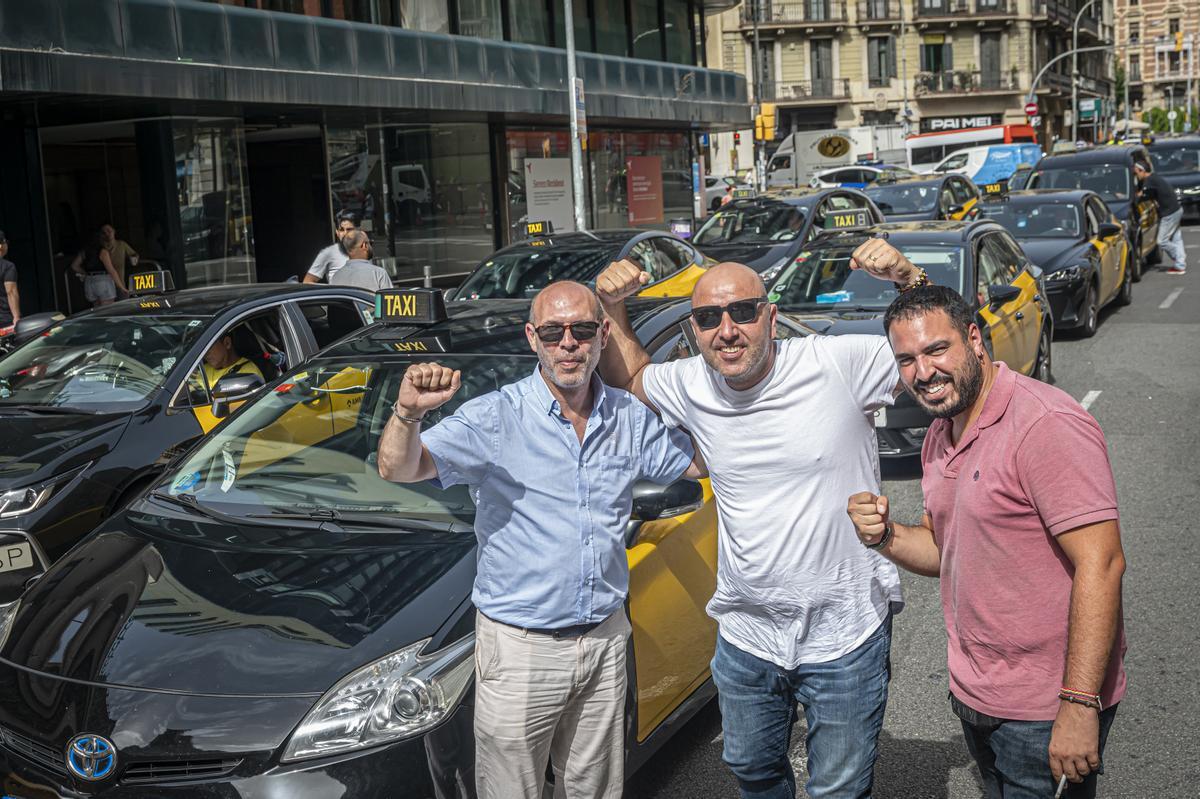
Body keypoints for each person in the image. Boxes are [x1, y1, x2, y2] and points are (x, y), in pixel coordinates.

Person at [595, 241, 924, 799]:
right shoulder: (692, 384)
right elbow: (631, 376)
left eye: (743, 312)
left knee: (838, 789)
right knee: (751, 770)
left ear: (771, 318)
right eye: (708, 319)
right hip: (747, 633)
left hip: (844, 629)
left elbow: (945, 353)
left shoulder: (835, 362)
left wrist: (910, 280)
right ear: (694, 332)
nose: (727, 330)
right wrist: (610, 308)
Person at [375, 281, 701, 799]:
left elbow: (703, 461)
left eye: (582, 330)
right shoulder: (495, 417)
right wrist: (408, 412)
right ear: (533, 338)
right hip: (521, 650)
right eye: (553, 332)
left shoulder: (628, 417)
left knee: (594, 791)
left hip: (604, 640)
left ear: (602, 336)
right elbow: (398, 467)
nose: (567, 343)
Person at [846, 284, 1126, 799]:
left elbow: (1102, 564)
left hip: (1047, 706)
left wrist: (1079, 704)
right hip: (977, 694)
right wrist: (884, 535)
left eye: (936, 350)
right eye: (906, 360)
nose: (923, 373)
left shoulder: (1045, 424)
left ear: (975, 339)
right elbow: (944, 550)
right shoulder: (941, 431)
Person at [1133, 159, 1186, 275]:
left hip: (1170, 213)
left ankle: (1178, 257)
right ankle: (1180, 266)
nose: (1136, 176)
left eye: (1136, 173)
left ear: (1142, 171)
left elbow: (1141, 196)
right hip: (1176, 209)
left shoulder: (1149, 181)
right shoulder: (1154, 178)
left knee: (1161, 241)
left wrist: (1133, 197)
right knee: (1176, 238)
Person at [70, 230, 126, 308]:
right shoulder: (103, 252)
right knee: (107, 310)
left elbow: (74, 266)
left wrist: (85, 273)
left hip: (89, 281)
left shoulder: (84, 252)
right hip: (103, 280)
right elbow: (111, 271)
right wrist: (122, 287)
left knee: (96, 310)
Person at [304, 211, 357, 284]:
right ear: (337, 232)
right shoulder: (329, 252)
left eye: (349, 229)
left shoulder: (364, 250)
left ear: (357, 231)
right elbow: (307, 282)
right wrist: (331, 290)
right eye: (341, 230)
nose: (345, 233)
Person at [0, 231, 20, 329]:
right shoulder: (7, 266)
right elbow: (11, 292)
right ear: (1, 245)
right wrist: (16, 317)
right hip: (4, 319)